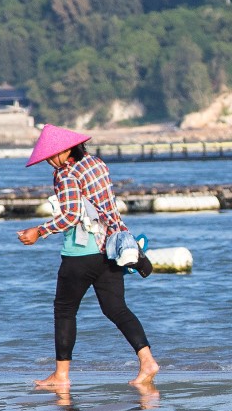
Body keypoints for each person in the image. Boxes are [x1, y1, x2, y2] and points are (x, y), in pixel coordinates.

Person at [16, 124, 160, 390]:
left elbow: (70, 216)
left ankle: (61, 377)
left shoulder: (65, 173)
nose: (50, 161)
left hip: (81, 253)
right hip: (111, 248)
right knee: (116, 309)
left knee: (64, 310)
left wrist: (39, 231)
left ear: (68, 149)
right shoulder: (96, 163)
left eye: (52, 155)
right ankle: (147, 361)